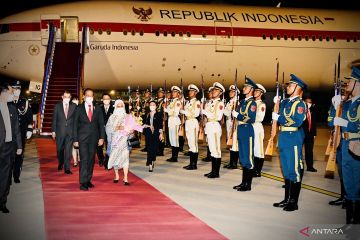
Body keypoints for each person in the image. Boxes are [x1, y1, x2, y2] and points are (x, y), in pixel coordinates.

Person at [272, 74, 307, 211]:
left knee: (294, 170)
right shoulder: (288, 102)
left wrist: (279, 118)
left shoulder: (300, 104)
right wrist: (278, 102)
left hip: (293, 136)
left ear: (298, 88)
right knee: (286, 170)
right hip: (284, 136)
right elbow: (281, 111)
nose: (288, 87)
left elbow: (297, 121)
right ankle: (287, 199)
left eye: (291, 85)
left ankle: (293, 202)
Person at [332, 67, 360, 224]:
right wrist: (338, 105)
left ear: (357, 83)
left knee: (356, 185)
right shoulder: (349, 103)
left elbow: (357, 125)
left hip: (356, 146)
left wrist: (343, 122)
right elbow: (333, 121)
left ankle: (355, 223)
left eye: (350, 80)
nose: (348, 83)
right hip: (345, 145)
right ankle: (350, 222)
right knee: (348, 185)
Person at [73, 88, 105, 191]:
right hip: (82, 138)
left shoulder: (98, 108)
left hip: (94, 138)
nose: (89, 97)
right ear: (84, 96)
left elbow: (101, 124)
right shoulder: (79, 108)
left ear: (93, 97)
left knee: (91, 160)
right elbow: (74, 125)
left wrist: (102, 137)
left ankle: (88, 179)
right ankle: (83, 182)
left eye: (91, 96)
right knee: (84, 159)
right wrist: (75, 139)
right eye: (87, 95)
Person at [106, 100, 142, 184]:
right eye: (118, 106)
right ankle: (117, 175)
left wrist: (131, 132)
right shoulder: (112, 117)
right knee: (115, 158)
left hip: (125, 141)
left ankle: (125, 177)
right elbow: (108, 128)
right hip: (115, 141)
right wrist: (119, 128)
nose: (119, 107)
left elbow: (133, 129)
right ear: (115, 107)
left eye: (121, 106)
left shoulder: (128, 116)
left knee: (125, 159)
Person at [0, 82, 22, 213]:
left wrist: (19, 145)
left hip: (9, 147)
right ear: (2, 93)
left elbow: (16, 129)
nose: (11, 94)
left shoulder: (12, 108)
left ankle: (2, 202)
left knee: (6, 176)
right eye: (9, 92)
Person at [232, 78, 257, 191]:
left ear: (251, 89)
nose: (244, 88)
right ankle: (243, 183)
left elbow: (251, 118)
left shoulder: (252, 103)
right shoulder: (242, 101)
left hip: (247, 129)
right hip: (241, 129)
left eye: (246, 87)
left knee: (248, 159)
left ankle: (248, 184)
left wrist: (238, 115)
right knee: (242, 158)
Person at [10, 81, 33, 183]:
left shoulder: (25, 102)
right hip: (9, 133)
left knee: (19, 154)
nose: (17, 90)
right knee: (9, 154)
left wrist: (29, 129)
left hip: (21, 132)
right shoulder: (7, 101)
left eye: (18, 88)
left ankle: (16, 175)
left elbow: (29, 118)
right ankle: (7, 175)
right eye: (15, 88)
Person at [51, 90, 77, 174]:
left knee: (68, 150)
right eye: (65, 97)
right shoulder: (57, 106)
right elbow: (54, 119)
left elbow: (76, 120)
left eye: (68, 97)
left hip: (70, 132)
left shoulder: (74, 106)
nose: (67, 99)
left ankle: (67, 168)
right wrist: (53, 131)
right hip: (59, 131)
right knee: (59, 149)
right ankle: (60, 162)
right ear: (62, 97)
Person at [203, 82, 225, 178]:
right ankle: (213, 171)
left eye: (216, 90)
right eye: (213, 90)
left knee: (216, 151)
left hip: (214, 126)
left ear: (220, 93)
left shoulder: (220, 103)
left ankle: (216, 173)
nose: (213, 91)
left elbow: (219, 117)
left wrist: (205, 112)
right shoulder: (211, 102)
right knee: (212, 150)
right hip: (209, 126)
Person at [182, 84, 201, 170]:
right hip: (188, 122)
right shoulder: (188, 102)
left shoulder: (197, 102)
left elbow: (196, 113)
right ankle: (191, 163)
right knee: (190, 143)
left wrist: (185, 112)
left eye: (192, 91)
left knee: (194, 144)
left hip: (193, 122)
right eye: (189, 91)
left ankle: (194, 164)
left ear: (196, 93)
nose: (190, 92)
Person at [143, 100, 163, 172]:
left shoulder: (159, 114)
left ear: (156, 106)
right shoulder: (147, 114)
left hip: (156, 133)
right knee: (149, 148)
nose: (152, 106)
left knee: (154, 148)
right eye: (150, 105)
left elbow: (160, 125)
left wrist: (161, 134)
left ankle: (152, 159)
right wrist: (149, 126)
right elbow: (143, 124)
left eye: (153, 104)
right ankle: (150, 163)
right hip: (148, 133)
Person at [223, 85, 239, 169]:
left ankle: (234, 163)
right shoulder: (229, 102)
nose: (230, 93)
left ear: (236, 93)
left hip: (234, 123)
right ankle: (231, 162)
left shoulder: (237, 102)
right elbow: (226, 113)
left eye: (232, 92)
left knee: (234, 144)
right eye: (230, 91)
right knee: (230, 142)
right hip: (228, 121)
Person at [165, 86, 182, 162]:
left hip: (175, 121)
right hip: (171, 121)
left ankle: (175, 157)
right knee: (172, 139)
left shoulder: (178, 102)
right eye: (173, 92)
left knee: (175, 139)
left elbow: (175, 112)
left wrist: (167, 110)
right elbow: (168, 110)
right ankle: (173, 156)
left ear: (178, 94)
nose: (173, 93)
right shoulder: (171, 102)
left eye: (175, 92)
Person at [97, 93, 114, 169]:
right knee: (99, 146)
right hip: (100, 130)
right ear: (102, 100)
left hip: (110, 130)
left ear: (110, 100)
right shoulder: (98, 108)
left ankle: (107, 161)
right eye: (104, 99)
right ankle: (101, 159)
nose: (106, 100)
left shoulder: (114, 108)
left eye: (108, 99)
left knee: (109, 146)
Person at [253, 84, 267, 177]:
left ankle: (258, 170)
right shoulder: (252, 103)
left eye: (257, 91)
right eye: (255, 90)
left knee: (259, 150)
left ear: (261, 93)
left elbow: (260, 117)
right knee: (253, 149)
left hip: (257, 127)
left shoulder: (261, 105)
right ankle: (254, 168)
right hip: (251, 127)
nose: (255, 92)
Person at [301, 95, 317, 172]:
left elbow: (314, 123)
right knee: (299, 151)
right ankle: (300, 166)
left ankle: (310, 166)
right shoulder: (301, 111)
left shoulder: (313, 111)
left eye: (310, 102)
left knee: (309, 151)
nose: (308, 103)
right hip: (301, 134)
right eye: (307, 102)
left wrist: (314, 134)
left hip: (310, 135)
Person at [201, 86, 214, 162]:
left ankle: (212, 155)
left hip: (213, 123)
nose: (209, 94)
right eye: (209, 93)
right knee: (208, 140)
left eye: (211, 92)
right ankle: (209, 155)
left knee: (212, 141)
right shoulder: (208, 103)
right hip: (207, 122)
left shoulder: (215, 103)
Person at [156, 88, 165, 156]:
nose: (160, 93)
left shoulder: (164, 102)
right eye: (159, 92)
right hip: (157, 120)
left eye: (161, 92)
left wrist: (164, 121)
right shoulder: (157, 101)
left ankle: (161, 151)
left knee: (161, 135)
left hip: (161, 120)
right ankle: (158, 149)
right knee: (157, 135)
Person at [71, 95, 80, 167]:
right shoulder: (70, 108)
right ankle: (75, 161)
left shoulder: (81, 108)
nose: (75, 101)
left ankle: (80, 158)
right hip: (71, 130)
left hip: (79, 130)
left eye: (77, 100)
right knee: (73, 146)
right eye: (74, 100)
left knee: (80, 146)